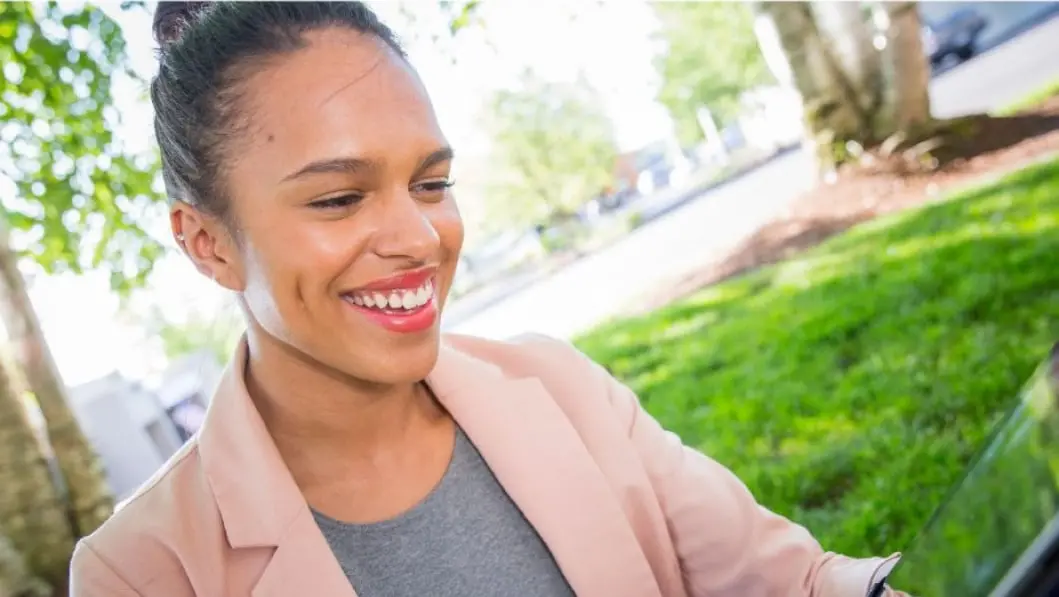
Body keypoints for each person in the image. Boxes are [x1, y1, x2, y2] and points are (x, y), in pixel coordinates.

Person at [69, 3, 911, 596]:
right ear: (207, 242)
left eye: (431, 182)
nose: (420, 237)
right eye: (338, 198)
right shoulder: (141, 570)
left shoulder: (556, 386)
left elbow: (790, 581)